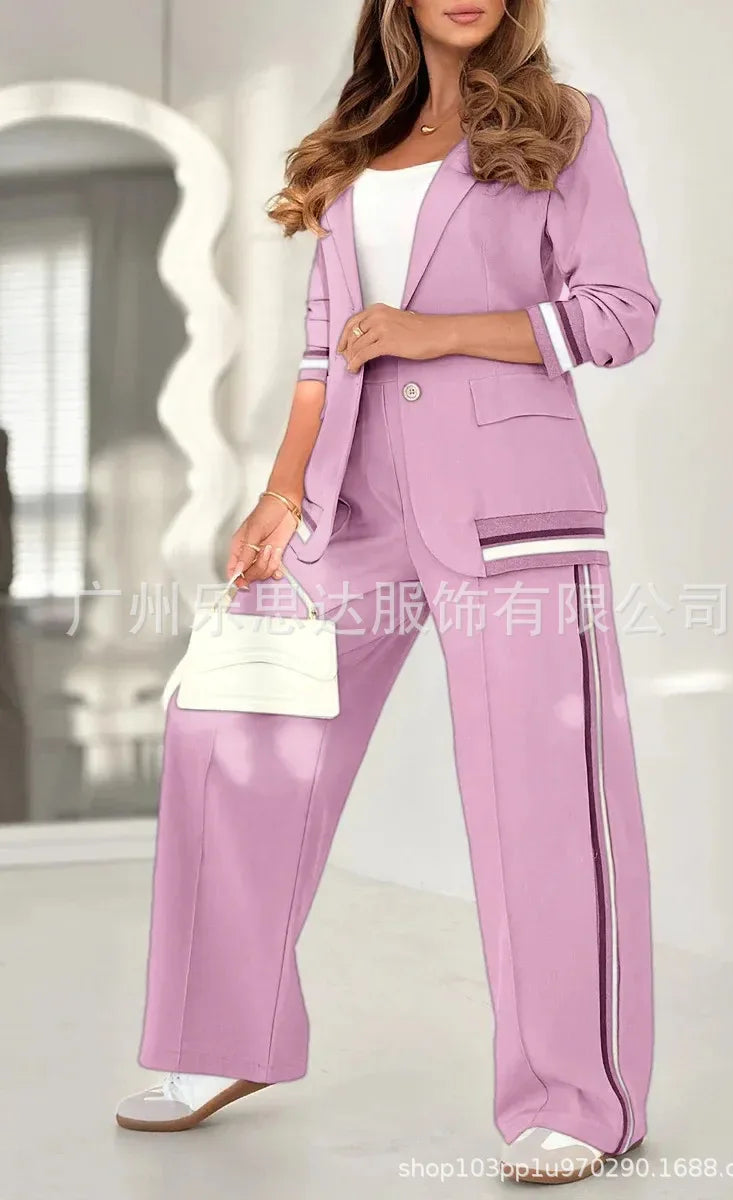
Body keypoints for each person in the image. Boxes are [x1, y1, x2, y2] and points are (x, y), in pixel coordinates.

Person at [116, 0, 659, 1184]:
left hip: (508, 507)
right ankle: (223, 1041)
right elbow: (325, 348)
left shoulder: (561, 124)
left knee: (538, 799)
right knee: (230, 732)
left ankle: (577, 1098)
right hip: (348, 502)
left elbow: (620, 316)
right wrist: (278, 492)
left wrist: (435, 330)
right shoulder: (356, 142)